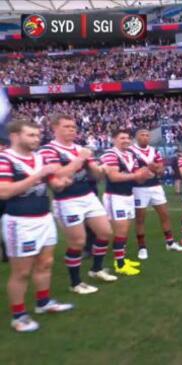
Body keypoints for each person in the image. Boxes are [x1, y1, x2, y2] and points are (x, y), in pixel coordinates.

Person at [0, 119, 74, 332]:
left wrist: (62, 183)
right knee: (21, 272)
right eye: (30, 135)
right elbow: (4, 192)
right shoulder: (5, 159)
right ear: (15, 136)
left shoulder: (39, 157)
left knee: (45, 263)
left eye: (37, 135)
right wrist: (38, 175)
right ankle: (19, 315)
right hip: (20, 222)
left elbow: (55, 185)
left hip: (44, 217)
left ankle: (43, 303)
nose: (36, 139)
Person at [39, 114, 115, 294]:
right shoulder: (48, 150)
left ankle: (96, 269)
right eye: (66, 127)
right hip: (66, 200)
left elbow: (96, 175)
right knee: (77, 242)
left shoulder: (80, 148)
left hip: (88, 196)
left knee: (105, 232)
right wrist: (80, 159)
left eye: (73, 127)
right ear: (54, 129)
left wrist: (101, 170)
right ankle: (75, 283)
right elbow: (58, 175)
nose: (71, 130)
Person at [100, 129, 154, 276]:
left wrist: (146, 174)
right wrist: (136, 175)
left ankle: (121, 258)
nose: (125, 140)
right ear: (113, 140)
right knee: (120, 231)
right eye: (121, 138)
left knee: (124, 230)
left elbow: (137, 176)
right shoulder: (110, 154)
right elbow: (114, 177)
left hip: (128, 195)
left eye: (127, 138)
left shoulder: (130, 155)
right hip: (115, 196)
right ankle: (119, 264)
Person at [130, 129, 182, 260]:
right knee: (140, 219)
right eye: (142, 135)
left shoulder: (154, 151)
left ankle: (170, 242)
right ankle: (142, 247)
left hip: (155, 186)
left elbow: (161, 169)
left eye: (147, 135)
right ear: (136, 137)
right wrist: (152, 168)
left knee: (165, 215)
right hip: (139, 188)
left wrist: (153, 168)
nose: (145, 137)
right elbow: (134, 170)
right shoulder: (131, 151)